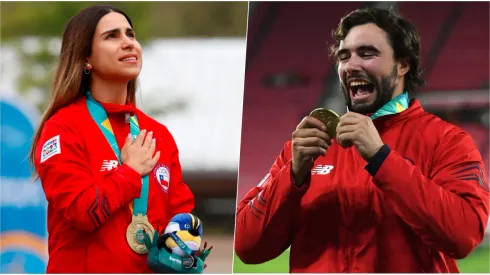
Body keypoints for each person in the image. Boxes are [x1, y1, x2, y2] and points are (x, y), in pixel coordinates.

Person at [234, 7, 489, 273]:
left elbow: (463, 236)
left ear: (403, 64)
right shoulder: (308, 147)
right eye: (344, 56)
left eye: (367, 54)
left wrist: (381, 158)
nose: (351, 65)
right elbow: (247, 246)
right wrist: (292, 176)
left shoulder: (447, 141)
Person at [29, 5, 194, 273]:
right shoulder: (62, 128)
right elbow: (80, 212)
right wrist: (130, 172)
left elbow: (180, 214)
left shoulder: (158, 134)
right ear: (85, 59)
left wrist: (186, 244)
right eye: (112, 36)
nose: (128, 43)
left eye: (131, 34)